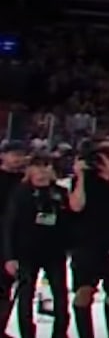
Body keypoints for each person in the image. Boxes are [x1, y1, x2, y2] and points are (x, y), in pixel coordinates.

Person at [66, 140, 109, 338]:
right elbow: (76, 205)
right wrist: (79, 176)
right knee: (84, 290)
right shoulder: (82, 179)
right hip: (85, 241)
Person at [3, 150, 71, 338]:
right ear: (30, 170)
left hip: (54, 252)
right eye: (38, 167)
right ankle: (27, 334)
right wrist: (9, 257)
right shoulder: (20, 193)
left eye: (46, 167)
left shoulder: (60, 193)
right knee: (25, 296)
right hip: (26, 252)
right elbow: (9, 225)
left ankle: (60, 332)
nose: (42, 172)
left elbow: (69, 222)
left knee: (60, 294)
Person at [0, 140, 30, 331]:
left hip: (16, 239)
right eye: (13, 154)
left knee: (8, 288)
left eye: (20, 154)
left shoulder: (25, 180)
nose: (17, 158)